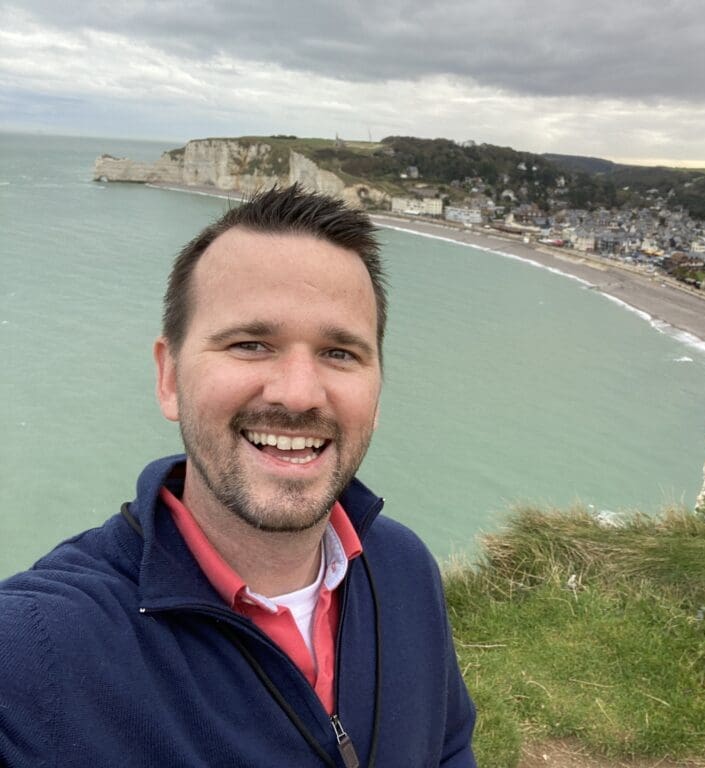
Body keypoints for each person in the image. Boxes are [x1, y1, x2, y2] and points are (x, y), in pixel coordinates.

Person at [0, 185, 477, 767]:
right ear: (169, 378)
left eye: (340, 353)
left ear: (377, 392)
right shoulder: (36, 647)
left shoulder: (403, 567)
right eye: (250, 344)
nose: (299, 394)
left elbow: (448, 746)